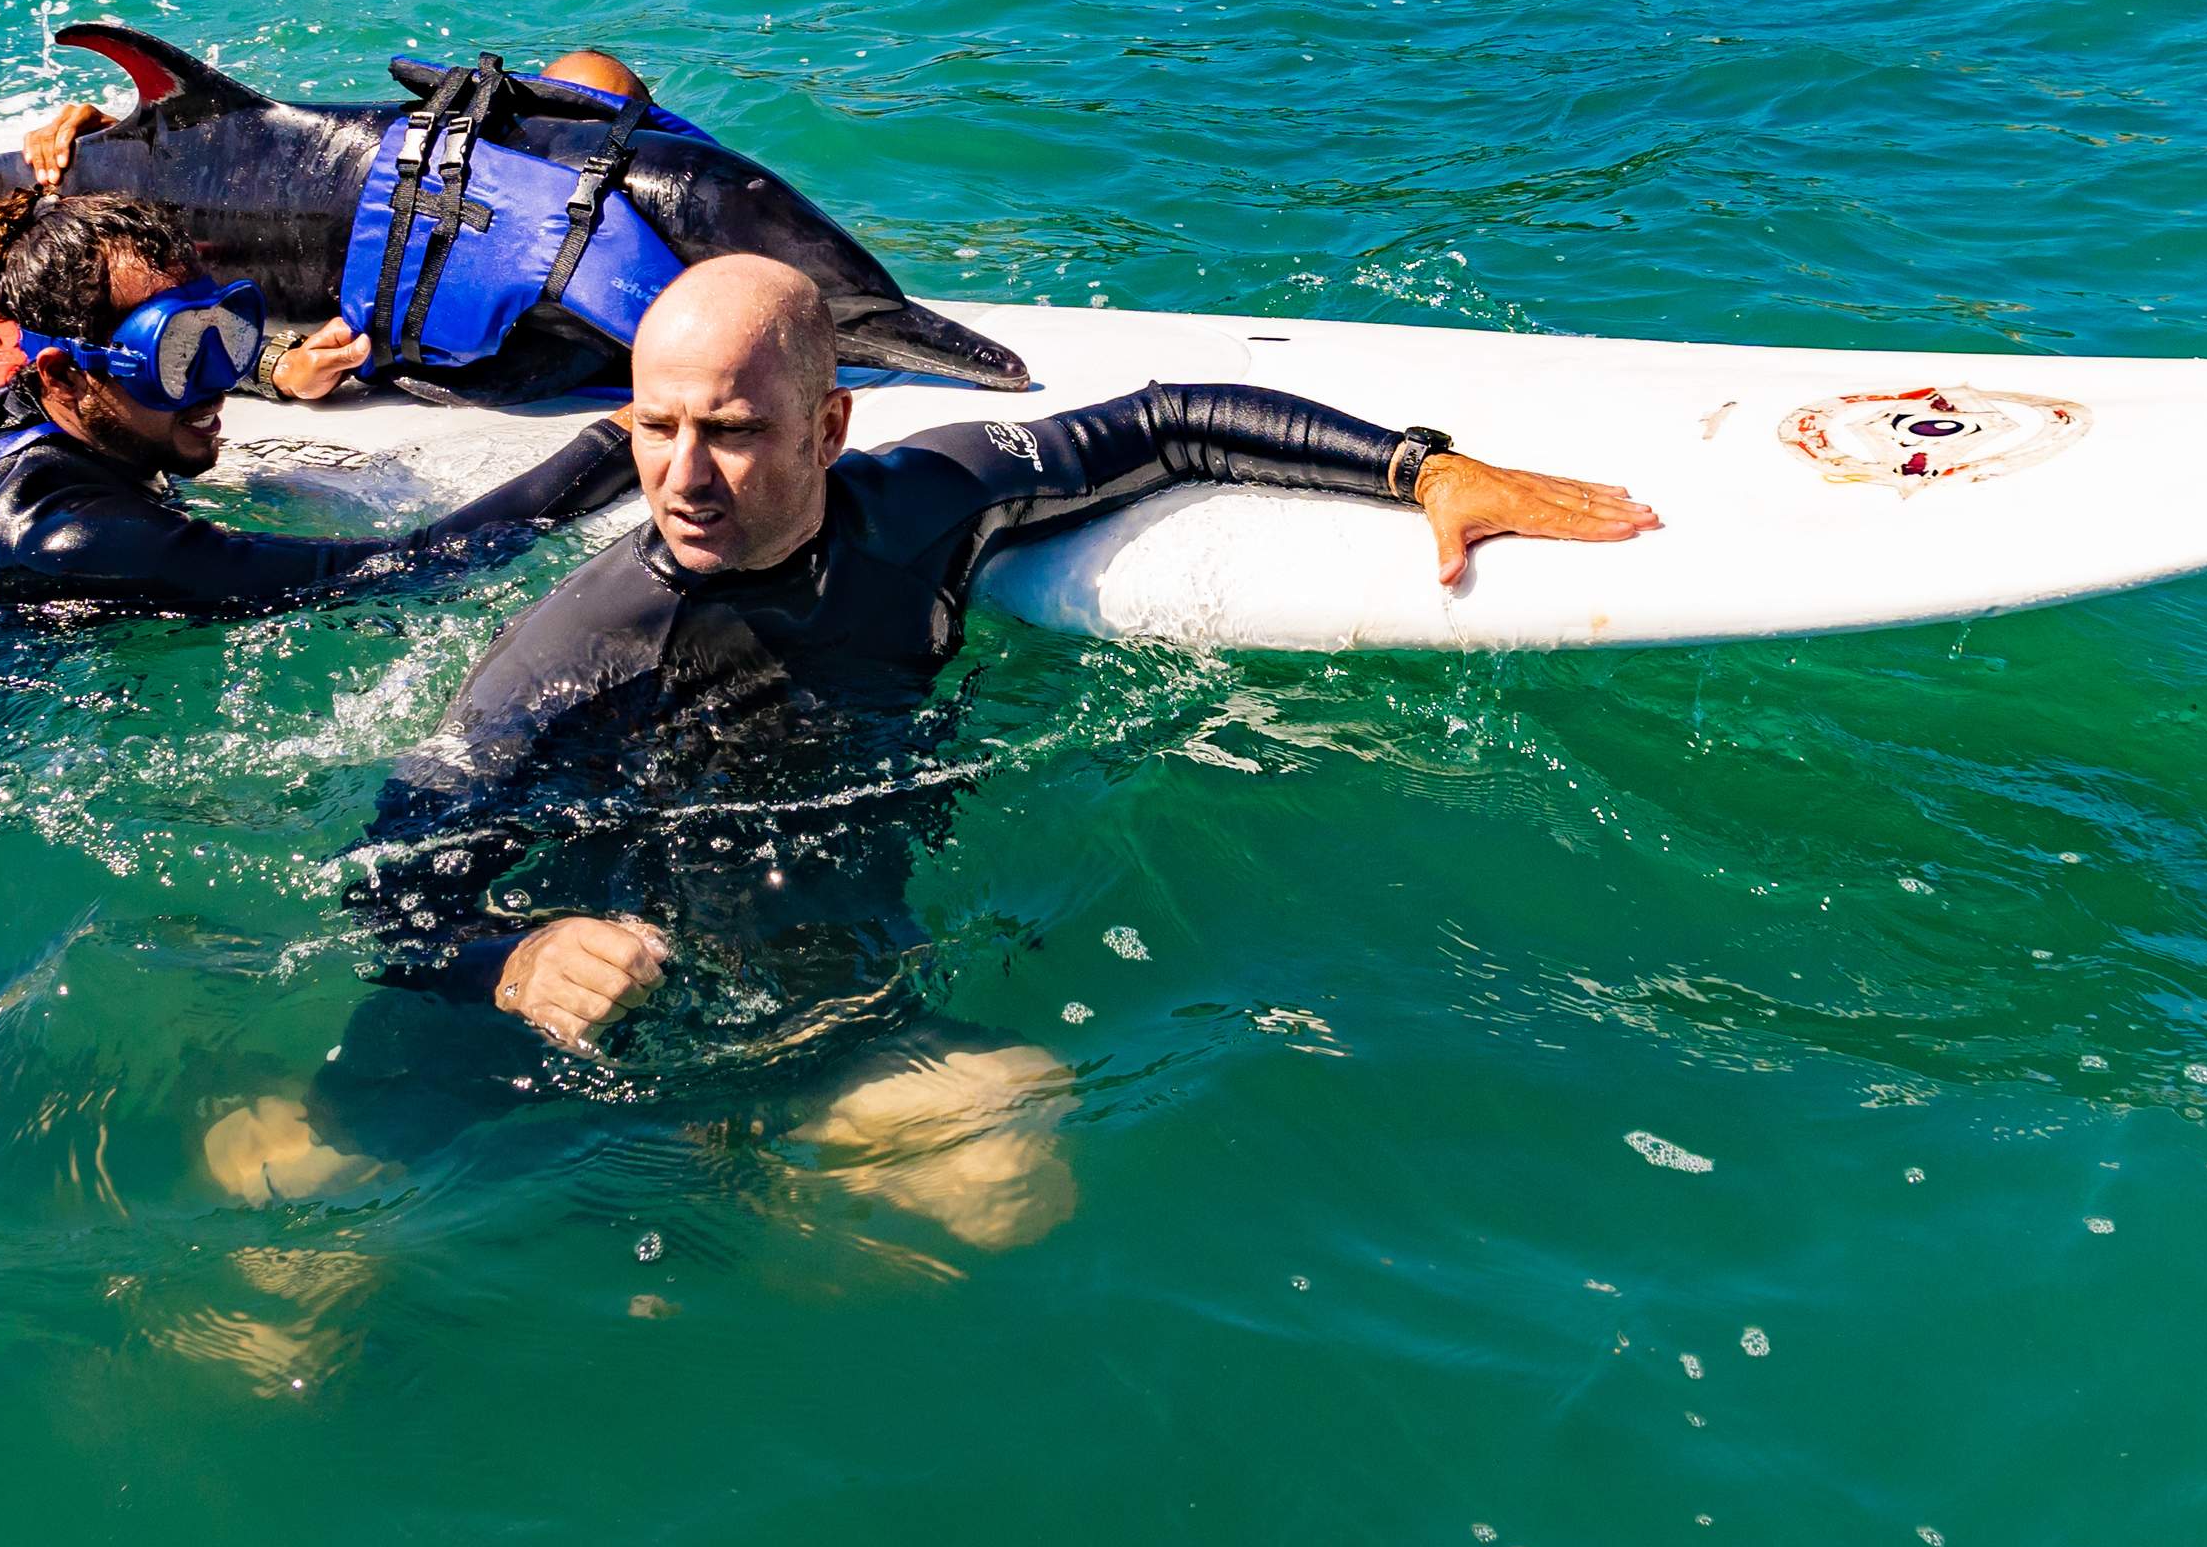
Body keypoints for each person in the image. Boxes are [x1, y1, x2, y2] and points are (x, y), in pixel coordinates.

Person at [204, 254, 1658, 1243]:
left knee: (1011, 1161)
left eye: (732, 430)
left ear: (831, 424)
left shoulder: (925, 504)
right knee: (295, 1272)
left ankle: (751, 1225)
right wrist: (506, 958)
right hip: (621, 1004)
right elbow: (386, 863)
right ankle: (298, 1134)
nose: (684, 478)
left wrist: (1428, 468)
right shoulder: (583, 649)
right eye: (654, 431)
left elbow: (1170, 425)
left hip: (827, 980)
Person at [0, 189, 635, 616]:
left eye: (225, 329)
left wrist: (277, 364)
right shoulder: (74, 542)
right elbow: (408, 567)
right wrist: (624, 438)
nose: (217, 379)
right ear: (65, 375)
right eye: (178, 355)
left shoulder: (41, 403)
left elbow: (194, 360)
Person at [6, 46, 676, 408]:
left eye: (599, 136)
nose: (577, 166)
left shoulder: (664, 257)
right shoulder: (425, 223)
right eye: (557, 130)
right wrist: (118, 145)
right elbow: (150, 343)